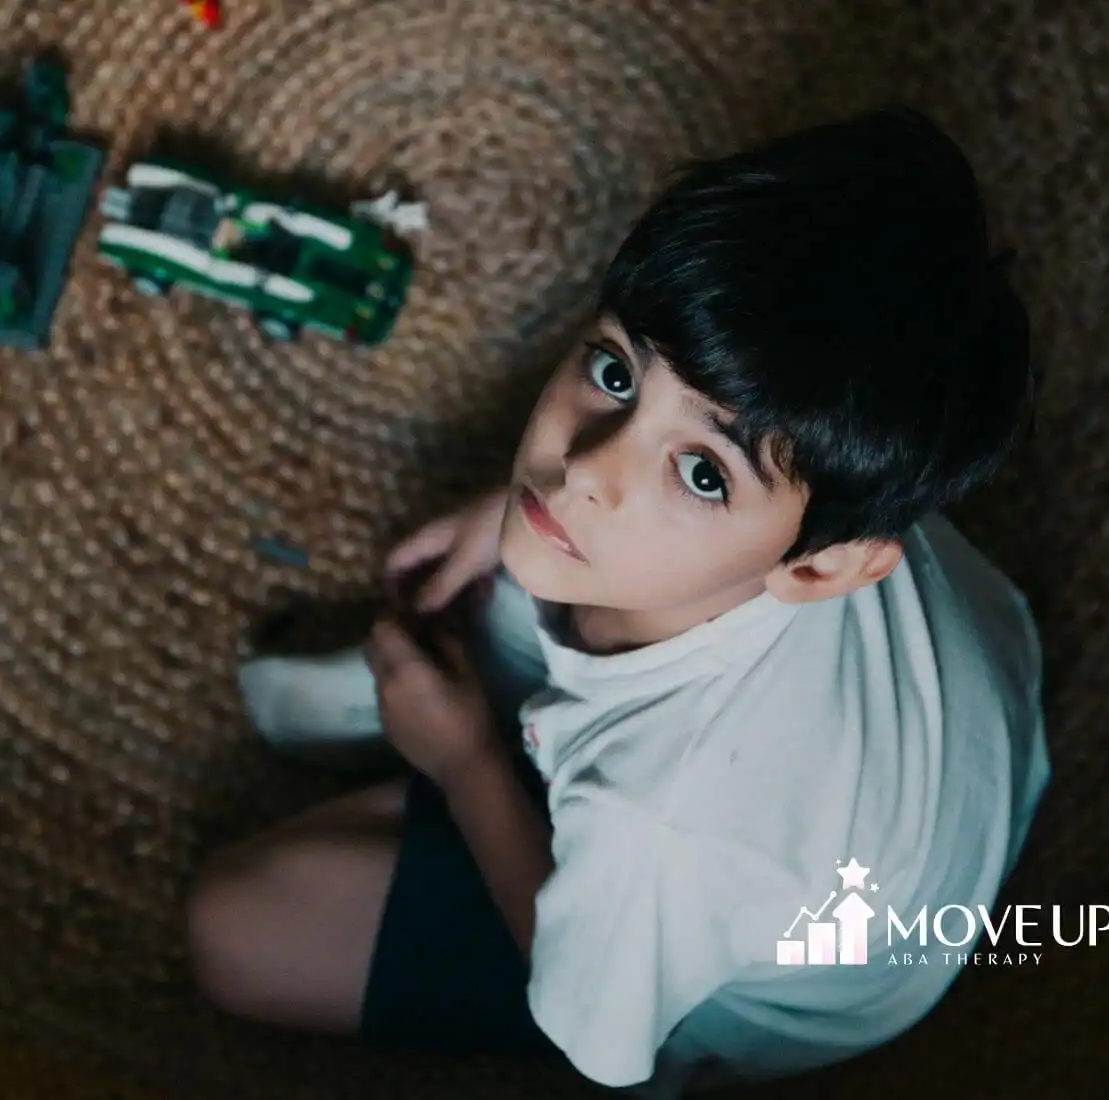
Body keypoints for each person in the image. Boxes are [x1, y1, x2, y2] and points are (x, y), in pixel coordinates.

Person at [186, 106, 1051, 1097]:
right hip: (950, 726)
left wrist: (466, 762)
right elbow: (645, 476)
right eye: (614, 372)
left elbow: (595, 1044)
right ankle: (486, 713)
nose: (585, 470)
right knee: (535, 583)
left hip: (737, 981)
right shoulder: (832, 466)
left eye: (701, 472)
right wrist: (511, 515)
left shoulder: (662, 823)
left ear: (822, 568)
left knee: (231, 930)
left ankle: (472, 738)